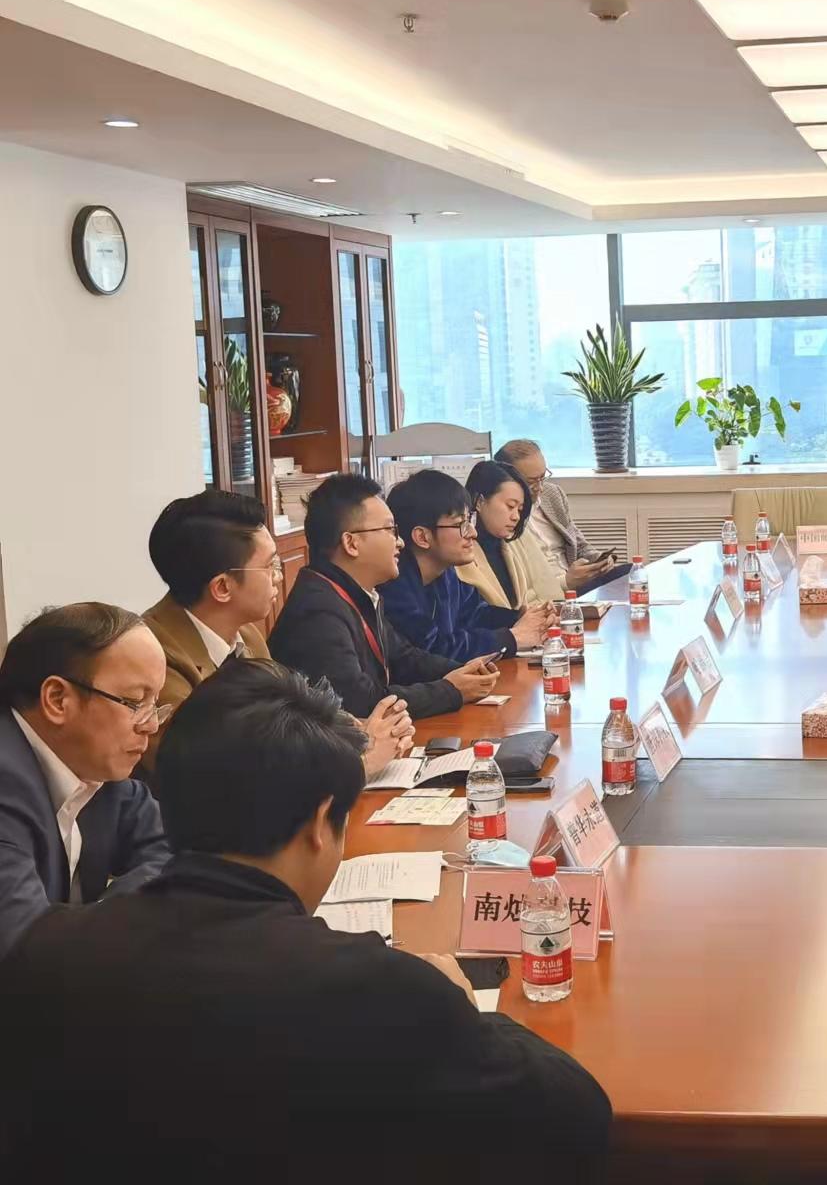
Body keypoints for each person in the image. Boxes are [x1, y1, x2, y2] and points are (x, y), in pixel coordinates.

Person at [0, 657, 612, 1177]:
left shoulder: (45, 953)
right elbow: (578, 1116)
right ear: (323, 822)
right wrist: (462, 1004)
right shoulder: (377, 986)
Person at [142, 490, 413, 775]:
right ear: (222, 587)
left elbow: (287, 719)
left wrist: (354, 731)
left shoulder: (246, 635)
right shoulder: (156, 659)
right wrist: (360, 765)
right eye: (270, 565)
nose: (279, 576)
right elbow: (219, 772)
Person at [0, 603, 171, 960]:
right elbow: (22, 946)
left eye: (155, 703)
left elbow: (172, 850)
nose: (151, 725)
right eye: (135, 702)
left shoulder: (99, 771)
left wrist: (107, 913)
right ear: (57, 699)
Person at [269, 473, 499, 720]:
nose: (400, 542)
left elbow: (404, 658)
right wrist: (451, 690)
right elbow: (359, 703)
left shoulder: (358, 592)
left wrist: (466, 671)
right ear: (351, 543)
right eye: (390, 530)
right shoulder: (317, 612)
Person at [379, 469, 552, 661]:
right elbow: (434, 649)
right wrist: (513, 638)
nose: (472, 533)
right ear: (422, 537)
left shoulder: (445, 572)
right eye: (460, 524)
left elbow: (477, 615)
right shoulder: (393, 586)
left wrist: (521, 617)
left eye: (470, 520)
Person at [497, 439, 628, 595]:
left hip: (578, 582)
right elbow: (521, 587)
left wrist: (600, 560)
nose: (540, 487)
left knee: (630, 572)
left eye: (542, 477)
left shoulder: (552, 494)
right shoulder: (504, 517)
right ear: (507, 479)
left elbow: (579, 545)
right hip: (550, 594)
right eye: (531, 482)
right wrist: (567, 582)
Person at [459, 460, 568, 609]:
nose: (516, 517)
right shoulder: (461, 551)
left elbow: (541, 595)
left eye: (519, 509)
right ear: (479, 502)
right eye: (510, 506)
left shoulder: (509, 543)